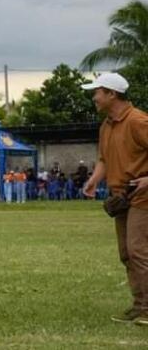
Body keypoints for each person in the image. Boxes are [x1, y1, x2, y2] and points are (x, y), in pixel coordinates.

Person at [82, 73, 148, 325]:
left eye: (97, 92)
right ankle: (140, 304)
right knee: (126, 253)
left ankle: (147, 308)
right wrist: (95, 179)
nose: (94, 97)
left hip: (143, 195)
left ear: (111, 94)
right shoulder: (107, 125)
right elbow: (104, 159)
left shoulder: (139, 121)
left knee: (138, 250)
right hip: (121, 197)